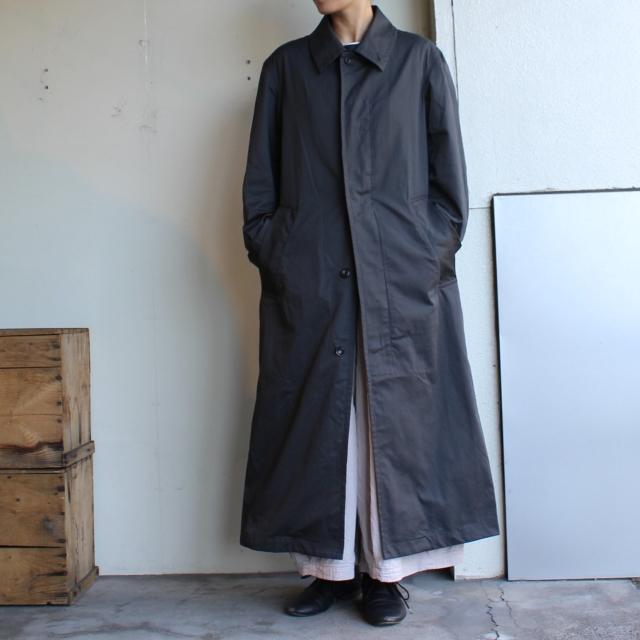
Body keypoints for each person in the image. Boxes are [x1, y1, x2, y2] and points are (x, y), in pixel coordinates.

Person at [240, 0, 500, 627]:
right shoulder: (286, 69)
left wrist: (424, 253)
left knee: (396, 418)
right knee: (321, 417)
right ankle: (328, 570)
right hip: (312, 278)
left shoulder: (419, 61)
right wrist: (280, 250)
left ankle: (387, 574)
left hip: (401, 278)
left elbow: (449, 187)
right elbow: (261, 182)